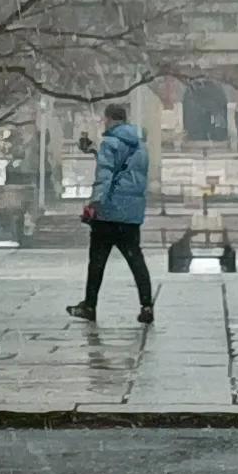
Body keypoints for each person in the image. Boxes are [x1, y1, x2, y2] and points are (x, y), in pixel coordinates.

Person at [69, 101, 154, 327]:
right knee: (136, 260)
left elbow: (106, 175)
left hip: (108, 215)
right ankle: (146, 305)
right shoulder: (140, 146)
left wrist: (95, 203)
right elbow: (127, 172)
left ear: (110, 119)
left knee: (97, 262)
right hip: (131, 215)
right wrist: (95, 150)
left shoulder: (110, 142)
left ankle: (89, 305)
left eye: (105, 119)